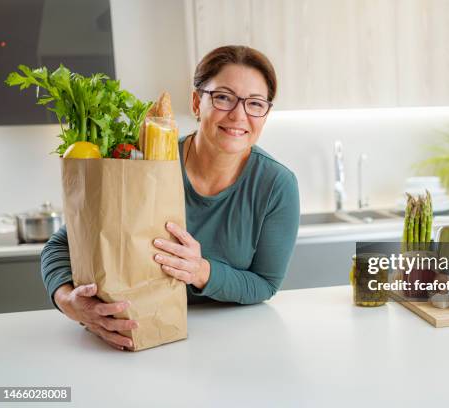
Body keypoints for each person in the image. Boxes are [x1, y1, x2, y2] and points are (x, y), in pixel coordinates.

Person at [40, 45, 300, 350]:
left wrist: (203, 271)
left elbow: (265, 284)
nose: (239, 115)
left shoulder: (276, 185)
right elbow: (61, 245)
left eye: (255, 103)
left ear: (266, 113)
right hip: (128, 336)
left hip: (227, 343)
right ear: (196, 102)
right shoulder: (145, 163)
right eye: (223, 97)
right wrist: (67, 300)